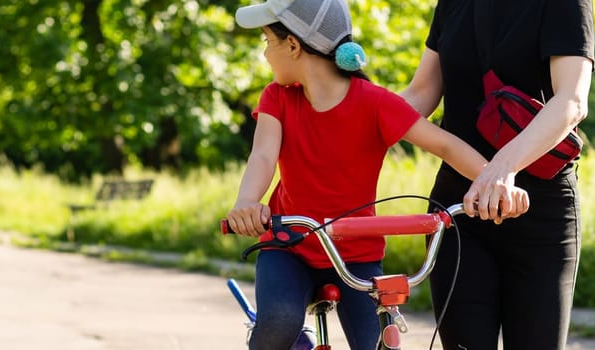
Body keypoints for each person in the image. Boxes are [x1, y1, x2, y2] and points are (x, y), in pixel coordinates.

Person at [226, 0, 529, 349]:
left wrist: (497, 183)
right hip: (289, 247)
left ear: (293, 45)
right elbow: (263, 156)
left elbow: (444, 146)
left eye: (268, 41)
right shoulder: (277, 98)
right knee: (278, 322)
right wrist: (247, 202)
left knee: (380, 342)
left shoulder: (375, 103)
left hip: (357, 254)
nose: (265, 54)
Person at [397, 0, 595, 349]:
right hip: (460, 214)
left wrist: (503, 168)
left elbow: (571, 100)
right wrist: (352, 123)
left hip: (540, 212)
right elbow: (423, 91)